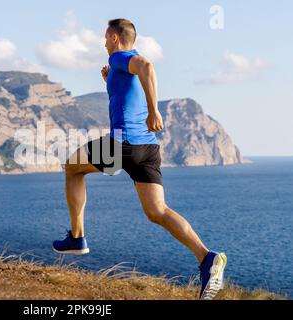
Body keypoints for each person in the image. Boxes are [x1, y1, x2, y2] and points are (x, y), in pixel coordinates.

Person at [52, 18, 227, 300]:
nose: (102, 41)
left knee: (72, 168)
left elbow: (147, 66)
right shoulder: (120, 65)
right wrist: (111, 80)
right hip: (147, 149)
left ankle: (77, 236)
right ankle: (207, 258)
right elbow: (131, 84)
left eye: (104, 36)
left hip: (123, 144)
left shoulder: (123, 56)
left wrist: (153, 110)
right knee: (157, 211)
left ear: (113, 37)